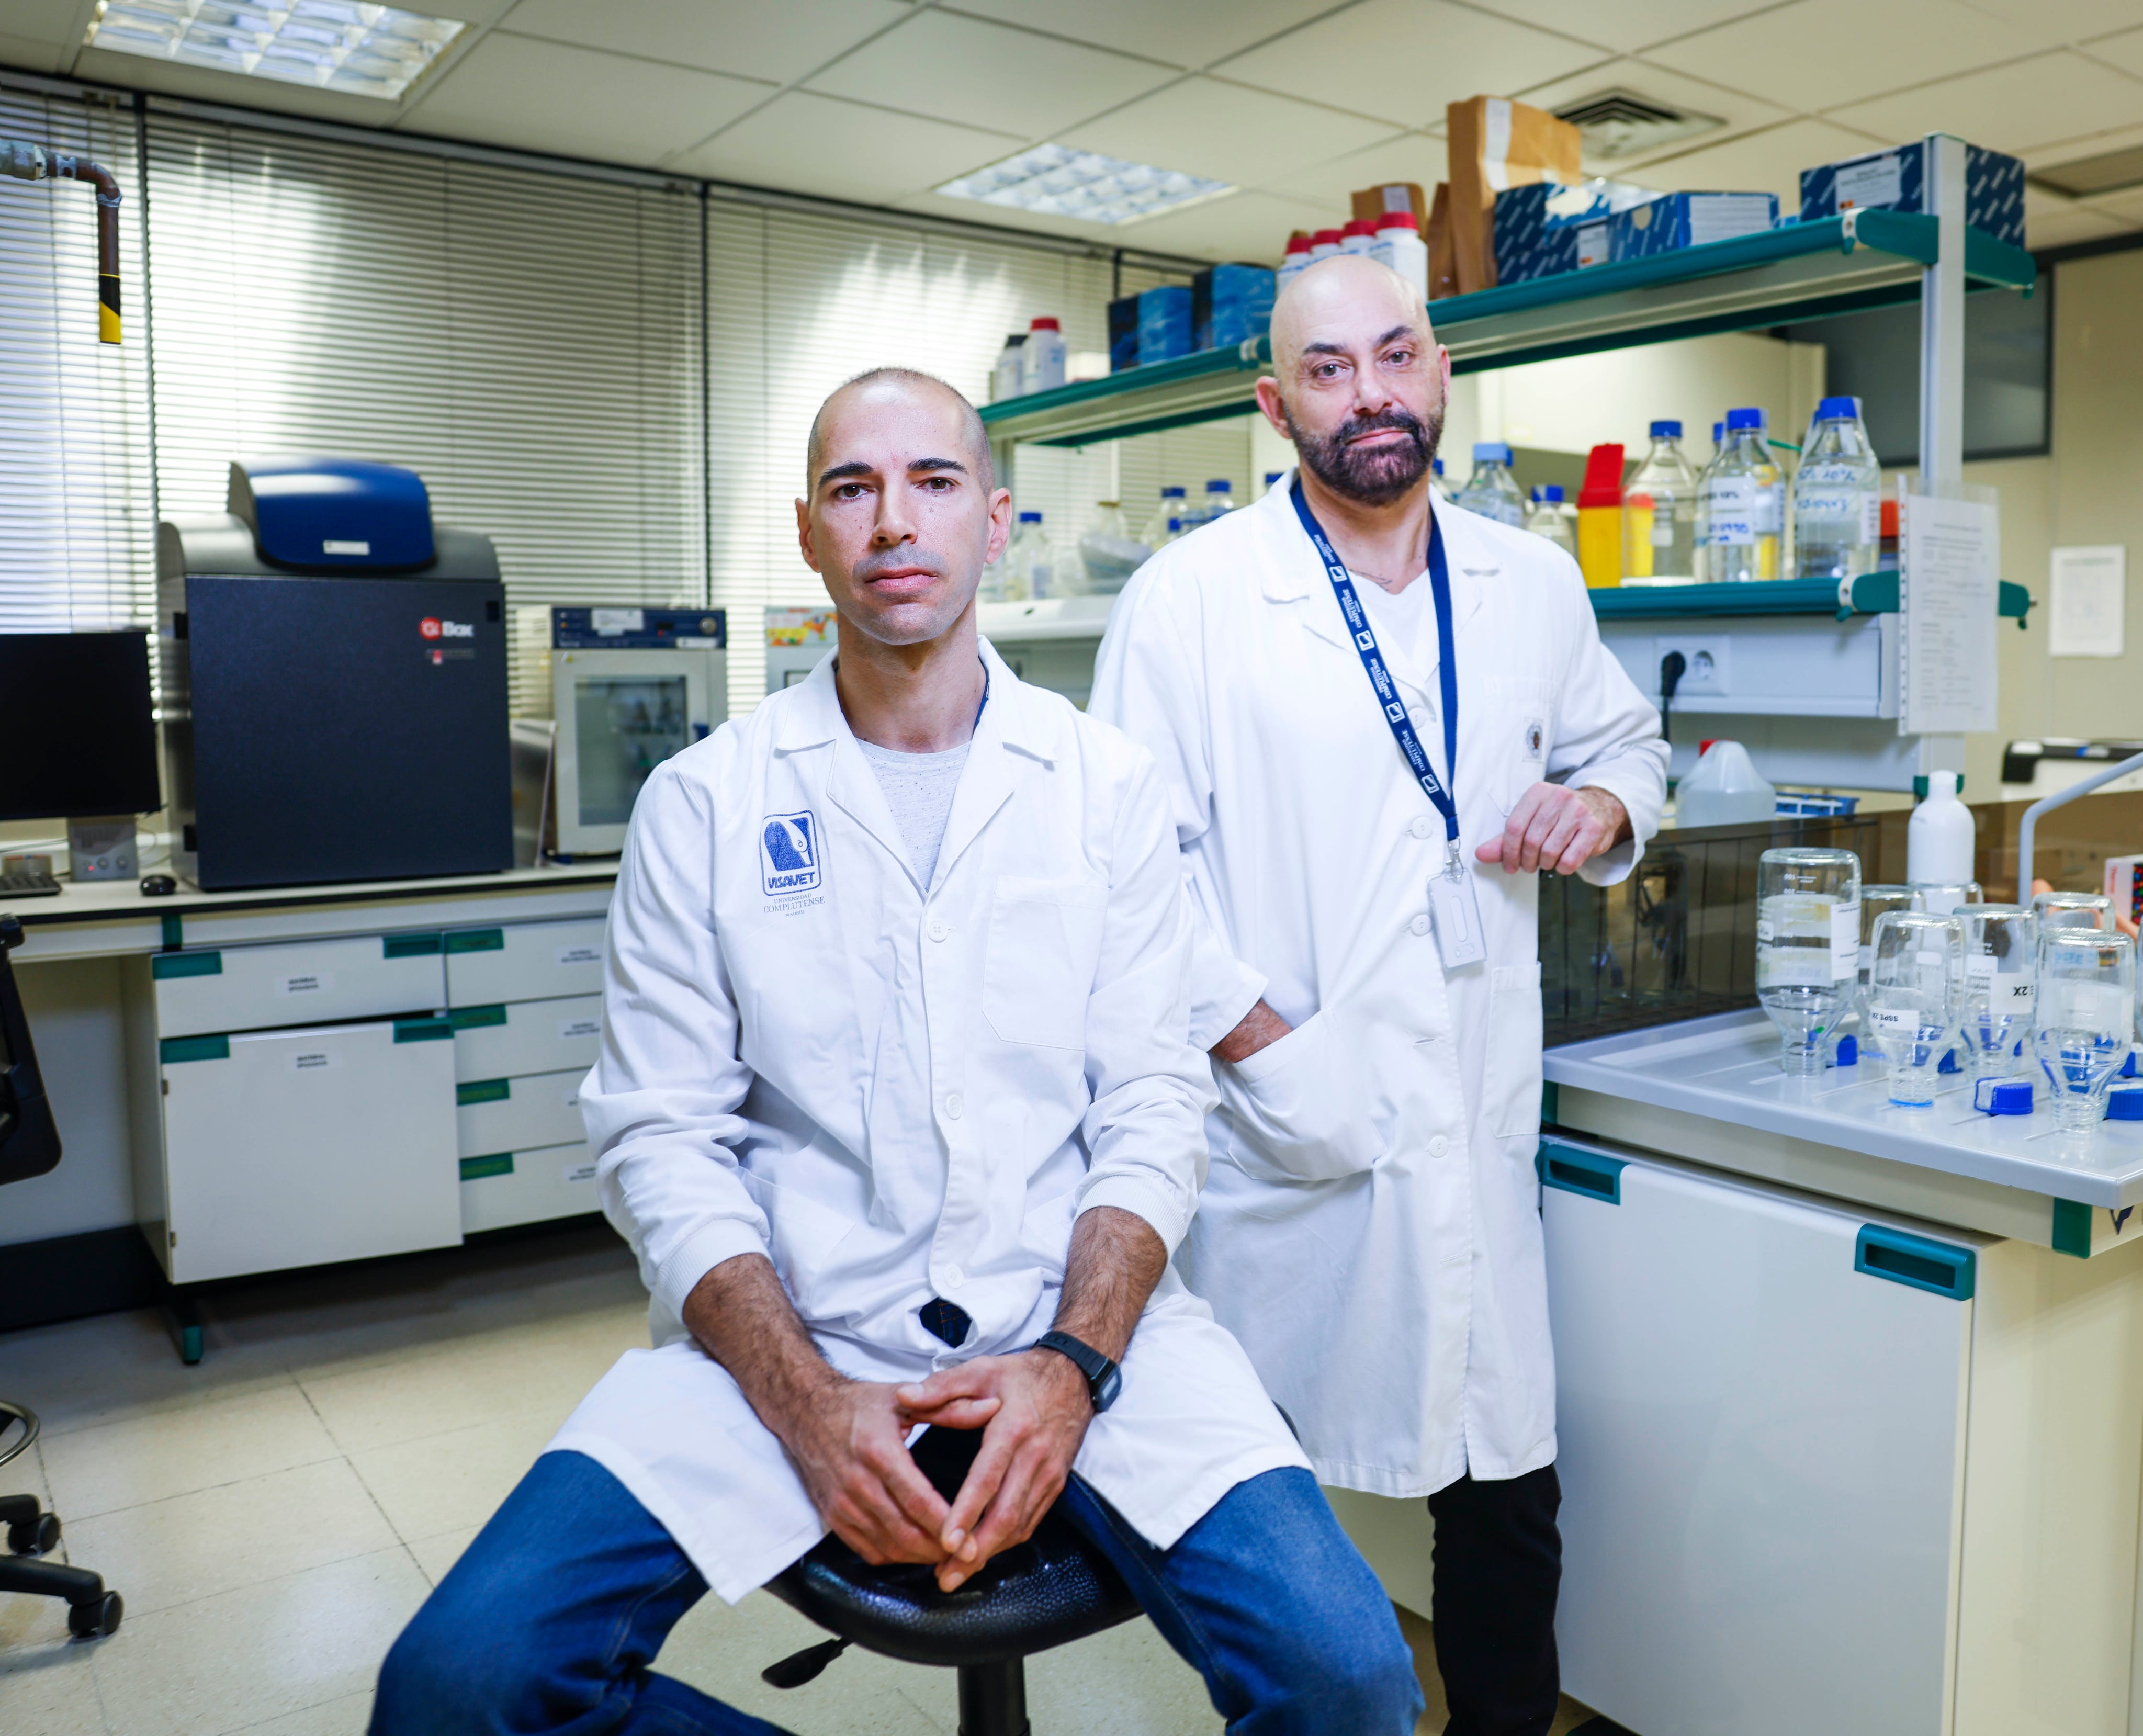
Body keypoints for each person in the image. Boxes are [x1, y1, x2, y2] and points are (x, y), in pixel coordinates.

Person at [372, 367, 1420, 1736]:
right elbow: (660, 1140)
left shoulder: (1105, 790)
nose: (893, 523)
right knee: (457, 1687)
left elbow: (1157, 1108)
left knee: (1350, 1678)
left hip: (1093, 1340)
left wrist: (1073, 1364)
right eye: (854, 489)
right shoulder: (706, 807)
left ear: (991, 521)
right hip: (793, 1334)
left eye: (931, 483)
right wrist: (805, 1399)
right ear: (809, 533)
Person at [1090, 256, 1668, 1735]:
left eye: (1396, 356)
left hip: (1475, 1109)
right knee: (1273, 1513)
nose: (1373, 394)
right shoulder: (1193, 600)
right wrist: (1268, 1046)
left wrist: (1598, 807)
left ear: (1442, 368)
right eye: (1330, 371)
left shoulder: (1530, 581)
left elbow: (1629, 744)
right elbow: (1123, 872)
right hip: (1297, 1128)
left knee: (1506, 1495)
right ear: (1276, 403)